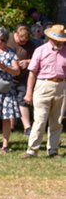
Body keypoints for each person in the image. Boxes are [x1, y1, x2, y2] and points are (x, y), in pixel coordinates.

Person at [23, 24, 66, 158]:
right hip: (43, 85)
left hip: (61, 86)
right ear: (50, 38)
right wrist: (29, 92)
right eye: (57, 39)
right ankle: (32, 150)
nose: (59, 42)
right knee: (40, 119)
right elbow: (32, 73)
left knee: (57, 121)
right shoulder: (40, 50)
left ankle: (53, 150)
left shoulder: (65, 52)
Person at [6, 25, 36, 135]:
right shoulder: (7, 39)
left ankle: (27, 127)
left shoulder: (31, 45)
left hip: (23, 77)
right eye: (21, 41)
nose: (23, 44)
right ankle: (10, 126)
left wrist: (27, 61)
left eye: (25, 42)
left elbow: (37, 58)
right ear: (16, 35)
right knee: (9, 101)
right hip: (8, 76)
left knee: (22, 100)